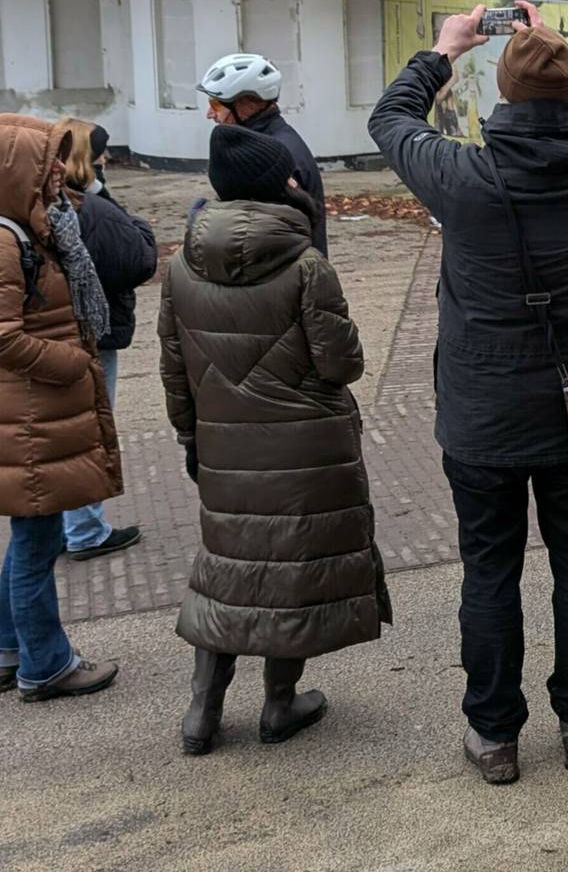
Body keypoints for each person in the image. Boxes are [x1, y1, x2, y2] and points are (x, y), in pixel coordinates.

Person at [367, 2, 568, 785]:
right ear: (566, 94)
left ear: (505, 100)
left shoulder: (463, 179)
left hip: (483, 415)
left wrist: (445, 49)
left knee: (489, 570)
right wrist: (555, 51)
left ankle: (494, 735)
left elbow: (389, 118)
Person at [159, 125, 388, 755]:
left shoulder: (180, 265)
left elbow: (174, 369)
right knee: (292, 573)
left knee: (226, 571)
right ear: (276, 183)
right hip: (306, 450)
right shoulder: (307, 263)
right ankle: (279, 704)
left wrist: (192, 440)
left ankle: (202, 714)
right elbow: (341, 365)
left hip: (224, 447)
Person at [0, 113, 123, 702]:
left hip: (36, 411)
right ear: (15, 171)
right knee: (36, 545)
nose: (59, 169)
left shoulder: (35, 227)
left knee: (33, 537)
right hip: (27, 415)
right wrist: (75, 363)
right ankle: (46, 667)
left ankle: (8, 654)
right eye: (47, 160)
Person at [56, 120, 157, 563]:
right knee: (91, 428)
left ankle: (64, 527)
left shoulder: (44, 201)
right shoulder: (85, 207)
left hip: (61, 331)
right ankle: (85, 530)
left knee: (64, 430)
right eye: (100, 153)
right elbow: (136, 256)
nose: (106, 160)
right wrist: (102, 195)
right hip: (92, 333)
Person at [197, 52, 329, 253]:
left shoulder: (273, 159)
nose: (209, 114)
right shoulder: (263, 145)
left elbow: (265, 242)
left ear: (246, 102)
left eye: (216, 104)